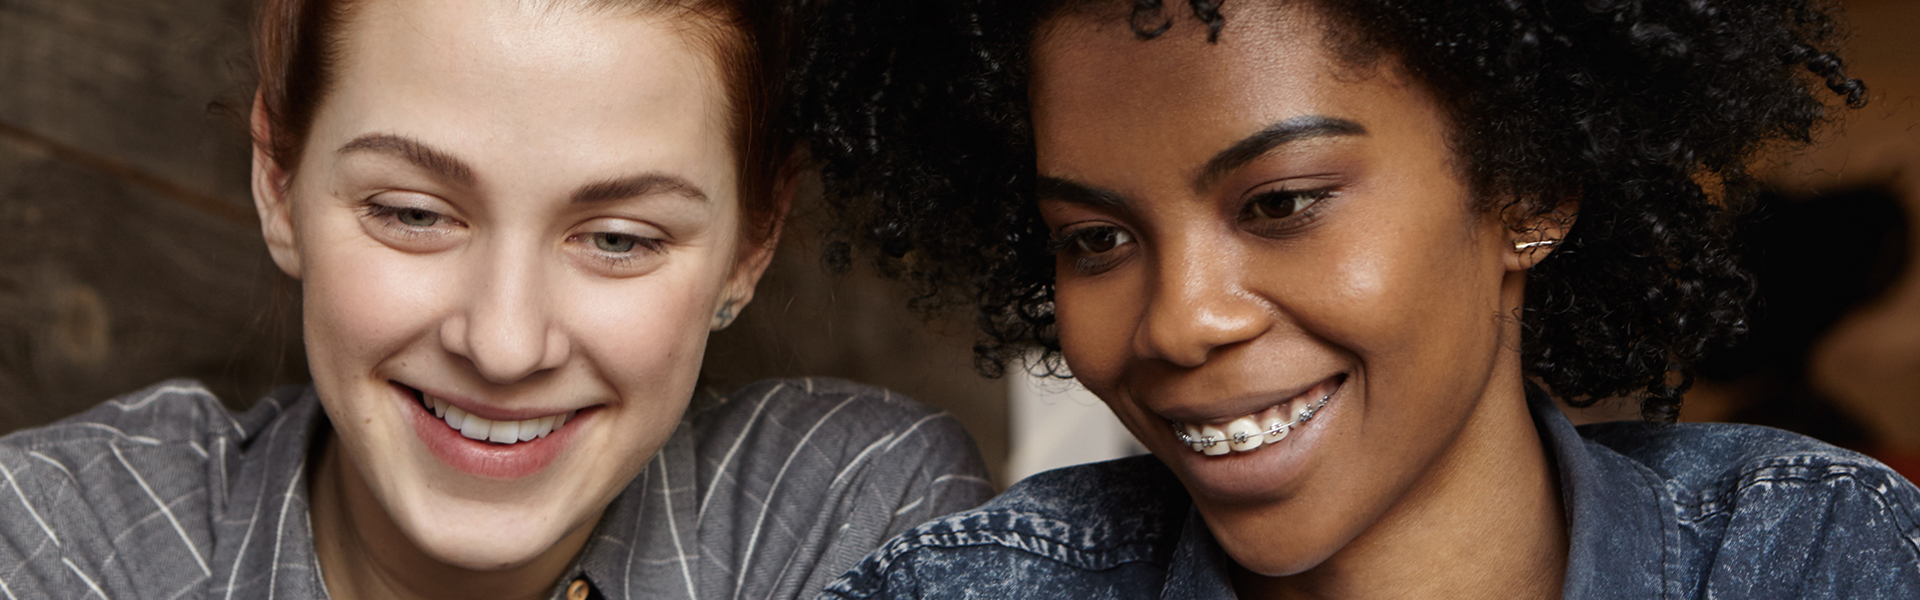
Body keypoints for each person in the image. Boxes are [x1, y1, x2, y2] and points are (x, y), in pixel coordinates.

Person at [793, 0, 1920, 597]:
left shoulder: (1828, 557)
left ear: (1526, 183)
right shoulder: (966, 592)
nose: (1181, 319)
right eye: (1096, 238)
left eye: (1281, 204)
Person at [0, 0, 991, 598]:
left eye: (617, 238)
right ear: (278, 178)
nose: (505, 345)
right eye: (414, 214)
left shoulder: (850, 517)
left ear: (753, 240)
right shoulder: (55, 545)